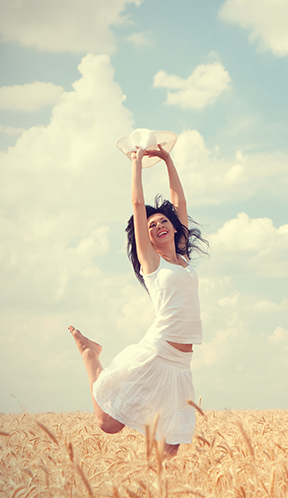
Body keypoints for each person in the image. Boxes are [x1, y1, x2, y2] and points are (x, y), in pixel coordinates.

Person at [69, 144, 207, 456]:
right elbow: (136, 202)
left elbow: (179, 201)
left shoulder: (182, 256)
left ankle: (158, 491)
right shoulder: (153, 263)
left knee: (172, 443)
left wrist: (169, 159)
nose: (158, 226)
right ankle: (91, 356)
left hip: (182, 362)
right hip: (156, 352)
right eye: (151, 225)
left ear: (174, 227)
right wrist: (137, 162)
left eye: (162, 222)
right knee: (108, 424)